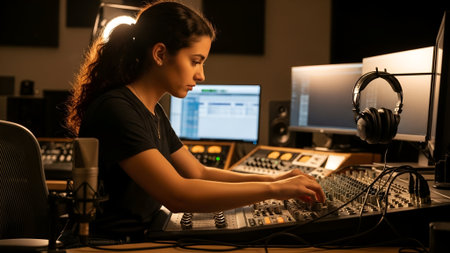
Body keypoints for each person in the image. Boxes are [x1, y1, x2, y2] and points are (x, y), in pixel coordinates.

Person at [65, 0, 325, 239]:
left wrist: (274, 180)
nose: (201, 75)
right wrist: (275, 192)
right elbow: (179, 195)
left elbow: (198, 172)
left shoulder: (151, 111)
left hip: (144, 235)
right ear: (159, 54)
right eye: (195, 61)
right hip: (115, 245)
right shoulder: (117, 110)